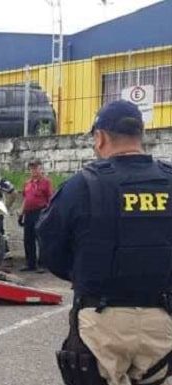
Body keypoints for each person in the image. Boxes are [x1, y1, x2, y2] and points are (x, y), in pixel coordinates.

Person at [37, 100, 172, 385]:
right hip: (163, 320)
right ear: (140, 134)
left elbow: (50, 245)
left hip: (101, 319)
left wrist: (81, 274)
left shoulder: (81, 185)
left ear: (100, 137)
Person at [19, 158, 52, 272]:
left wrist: (47, 214)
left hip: (40, 212)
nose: (33, 170)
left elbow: (50, 199)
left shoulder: (46, 182)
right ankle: (30, 263)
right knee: (28, 239)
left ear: (40, 169)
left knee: (40, 238)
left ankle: (42, 264)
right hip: (28, 213)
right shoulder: (27, 183)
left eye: (36, 168)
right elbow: (25, 199)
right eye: (31, 168)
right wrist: (21, 213)